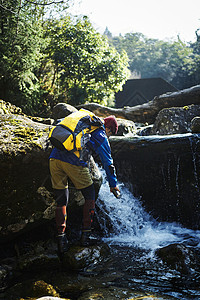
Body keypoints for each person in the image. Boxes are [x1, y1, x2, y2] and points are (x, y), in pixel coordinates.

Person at [49, 112, 120, 256]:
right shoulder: (99, 132)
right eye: (110, 134)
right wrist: (113, 184)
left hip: (54, 159)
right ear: (109, 129)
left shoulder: (81, 121)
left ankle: (61, 241)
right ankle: (85, 237)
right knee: (90, 194)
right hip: (73, 162)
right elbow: (108, 162)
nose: (109, 136)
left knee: (61, 200)